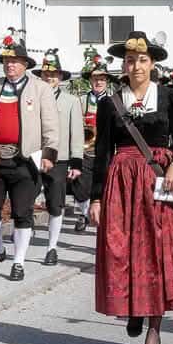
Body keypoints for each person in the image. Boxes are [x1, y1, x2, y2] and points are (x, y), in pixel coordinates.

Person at [88, 31, 173, 344]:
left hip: (159, 182)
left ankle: (154, 327)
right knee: (122, 249)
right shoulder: (110, 102)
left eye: (143, 60)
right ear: (124, 64)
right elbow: (103, 151)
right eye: (131, 60)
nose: (136, 66)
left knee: (157, 252)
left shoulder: (168, 97)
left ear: (153, 64)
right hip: (121, 183)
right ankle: (132, 307)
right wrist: (95, 199)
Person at [0, 34, 59, 280]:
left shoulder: (41, 89)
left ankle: (19, 262)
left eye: (15, 61)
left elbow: (50, 125)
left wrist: (49, 154)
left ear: (25, 64)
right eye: (6, 61)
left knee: (22, 212)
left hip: (25, 160)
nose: (10, 65)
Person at [35, 51, 85, 266]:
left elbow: (77, 132)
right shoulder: (32, 96)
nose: (49, 79)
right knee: (27, 198)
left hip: (60, 157)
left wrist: (76, 161)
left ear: (61, 78)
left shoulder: (71, 101)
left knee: (56, 203)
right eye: (46, 75)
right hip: (34, 155)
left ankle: (52, 247)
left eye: (54, 75)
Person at [72, 49, 112, 234]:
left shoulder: (114, 101)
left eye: (102, 79)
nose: (99, 82)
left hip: (105, 150)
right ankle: (85, 212)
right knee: (79, 185)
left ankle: (99, 214)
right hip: (85, 149)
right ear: (91, 81)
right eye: (96, 79)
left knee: (104, 185)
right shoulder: (81, 100)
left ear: (107, 81)